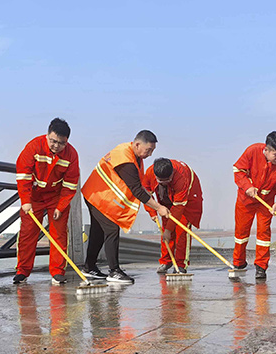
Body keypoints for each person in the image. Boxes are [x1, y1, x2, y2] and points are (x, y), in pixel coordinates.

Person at [80, 130, 170, 284]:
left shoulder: (135, 156)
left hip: (98, 195)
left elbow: (139, 185)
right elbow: (137, 190)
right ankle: (114, 271)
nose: (150, 154)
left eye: (152, 151)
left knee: (98, 231)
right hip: (98, 196)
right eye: (148, 150)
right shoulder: (125, 158)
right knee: (111, 229)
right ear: (137, 144)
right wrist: (158, 207)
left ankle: (89, 267)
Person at [13, 118, 80, 285]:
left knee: (59, 234)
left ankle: (57, 272)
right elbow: (23, 175)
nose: (56, 146)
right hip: (33, 196)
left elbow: (70, 184)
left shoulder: (72, 154)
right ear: (47, 135)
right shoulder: (34, 146)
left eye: (61, 143)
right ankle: (22, 271)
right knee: (28, 233)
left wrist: (61, 207)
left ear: (67, 141)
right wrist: (25, 201)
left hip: (56, 197)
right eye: (53, 141)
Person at [233, 131, 276, 280]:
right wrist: (247, 186)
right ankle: (239, 263)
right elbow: (238, 170)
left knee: (264, 234)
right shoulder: (252, 151)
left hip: (266, 203)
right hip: (246, 200)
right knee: (241, 232)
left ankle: (261, 267)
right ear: (266, 149)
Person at [142, 158, 203, 274]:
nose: (165, 182)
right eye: (161, 181)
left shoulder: (181, 177)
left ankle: (180, 264)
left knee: (181, 231)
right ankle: (166, 261)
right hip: (166, 199)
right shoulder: (150, 173)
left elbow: (178, 208)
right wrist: (152, 212)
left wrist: (168, 230)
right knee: (165, 230)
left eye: (168, 180)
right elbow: (145, 194)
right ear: (156, 176)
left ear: (172, 174)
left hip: (186, 201)